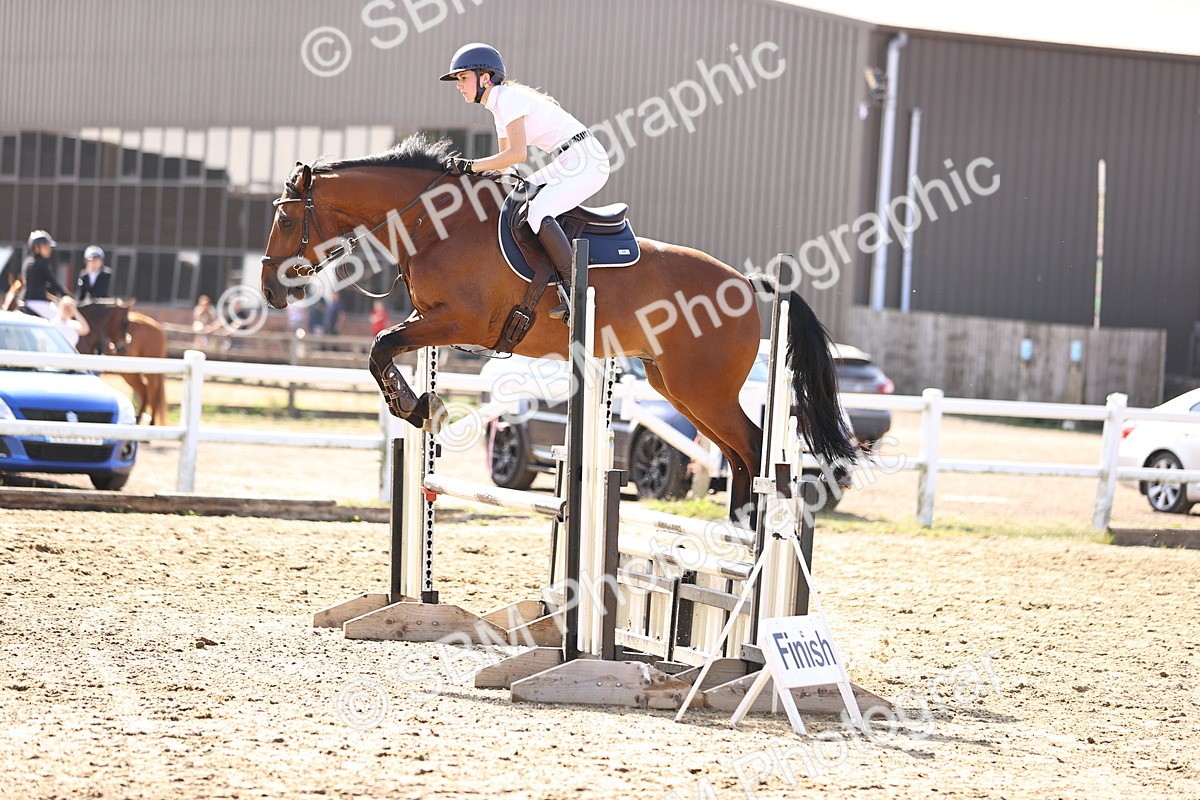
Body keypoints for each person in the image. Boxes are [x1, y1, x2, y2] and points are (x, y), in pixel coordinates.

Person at [440, 43, 611, 321]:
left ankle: (575, 292)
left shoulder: (506, 99)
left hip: (586, 160)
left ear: (485, 78)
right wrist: (467, 175)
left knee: (539, 212)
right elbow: (507, 163)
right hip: (568, 159)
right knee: (517, 196)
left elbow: (517, 153)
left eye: (462, 78)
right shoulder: (497, 106)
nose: (458, 85)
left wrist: (469, 166)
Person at [18, 230, 69, 320]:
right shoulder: (42, 262)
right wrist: (65, 295)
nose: (49, 249)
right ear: (37, 248)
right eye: (46, 247)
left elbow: (40, 282)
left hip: (27, 300)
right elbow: (52, 281)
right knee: (60, 320)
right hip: (37, 302)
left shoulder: (27, 261)